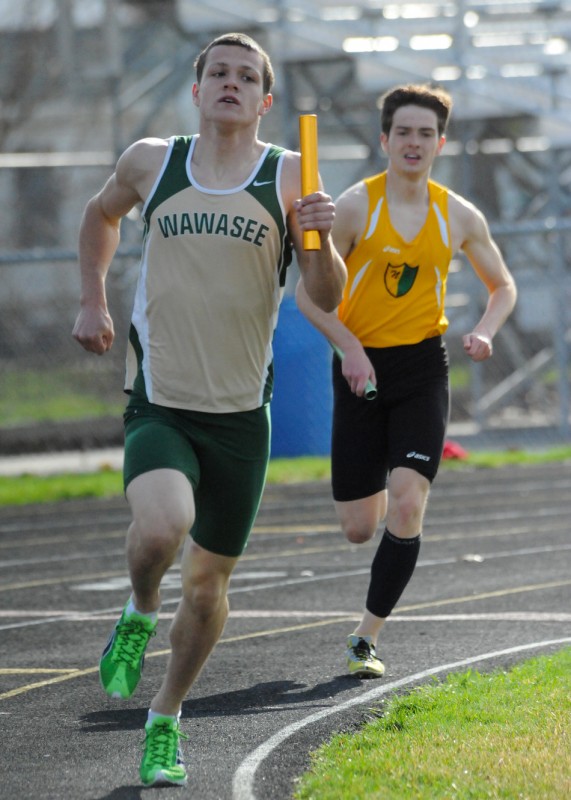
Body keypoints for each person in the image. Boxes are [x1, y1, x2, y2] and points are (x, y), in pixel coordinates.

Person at [72, 32, 346, 787]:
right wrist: (92, 299)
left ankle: (165, 717)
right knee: (162, 528)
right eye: (217, 72)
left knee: (208, 587)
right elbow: (101, 217)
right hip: (161, 398)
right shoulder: (151, 161)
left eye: (246, 76)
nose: (230, 82)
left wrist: (319, 240)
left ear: (265, 101)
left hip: (239, 416)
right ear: (197, 91)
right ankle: (136, 608)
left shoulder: (292, 177)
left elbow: (323, 296)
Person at [296, 83, 517, 679]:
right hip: (358, 366)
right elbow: (307, 297)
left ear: (440, 142)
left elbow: (503, 285)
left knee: (408, 500)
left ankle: (365, 639)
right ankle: (370, 570)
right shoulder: (353, 207)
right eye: (404, 133)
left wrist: (488, 330)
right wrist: (349, 348)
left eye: (425, 133)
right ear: (385, 140)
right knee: (357, 528)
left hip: (422, 367)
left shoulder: (460, 215)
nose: (414, 143)